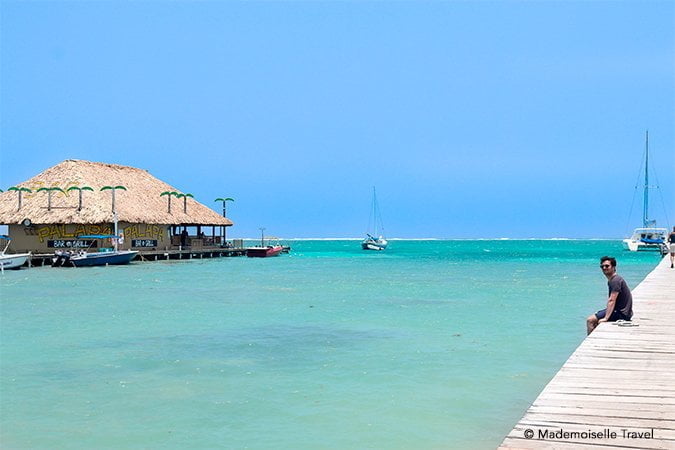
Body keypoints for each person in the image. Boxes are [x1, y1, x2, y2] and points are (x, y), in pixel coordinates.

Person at [586, 256, 633, 335]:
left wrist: (606, 318)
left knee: (590, 320)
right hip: (621, 312)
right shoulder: (614, 280)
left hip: (621, 314)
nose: (604, 268)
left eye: (607, 266)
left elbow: (612, 300)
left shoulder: (615, 281)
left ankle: (591, 341)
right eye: (602, 266)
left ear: (613, 267)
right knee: (596, 318)